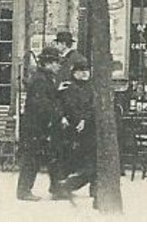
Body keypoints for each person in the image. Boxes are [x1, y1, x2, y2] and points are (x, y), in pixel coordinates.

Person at [16, 44, 63, 200]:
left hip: (40, 126)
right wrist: (56, 115)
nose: (58, 65)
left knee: (50, 156)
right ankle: (23, 191)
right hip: (36, 127)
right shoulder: (41, 80)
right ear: (47, 63)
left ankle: (55, 188)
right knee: (32, 159)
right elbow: (42, 105)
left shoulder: (44, 78)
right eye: (56, 62)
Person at [55, 52, 95, 200]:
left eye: (86, 71)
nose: (84, 74)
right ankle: (61, 187)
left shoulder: (92, 89)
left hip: (87, 129)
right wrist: (62, 117)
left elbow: (92, 107)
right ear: (74, 72)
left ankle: (72, 185)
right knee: (67, 158)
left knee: (89, 160)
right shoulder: (67, 87)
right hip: (69, 128)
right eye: (81, 71)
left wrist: (85, 120)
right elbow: (59, 104)